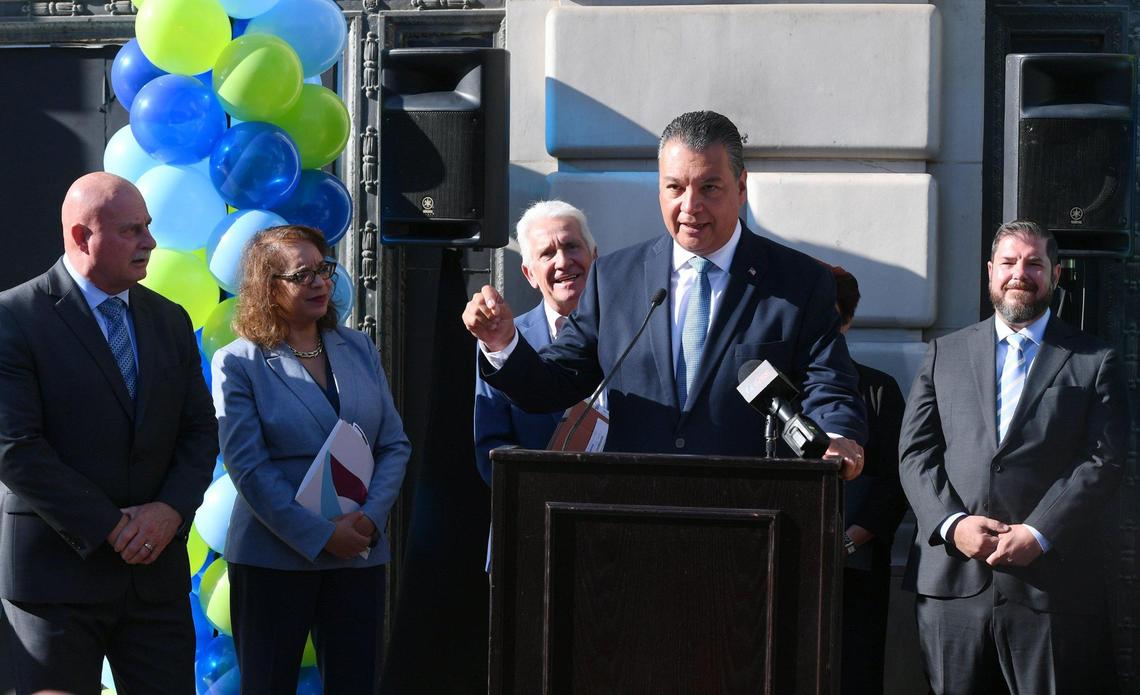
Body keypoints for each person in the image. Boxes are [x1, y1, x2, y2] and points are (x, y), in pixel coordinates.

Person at [462, 110, 866, 474]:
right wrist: (503, 344)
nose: (690, 206)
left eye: (709, 187)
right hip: (638, 514)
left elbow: (827, 383)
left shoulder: (797, 280)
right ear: (659, 190)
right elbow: (555, 383)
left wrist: (834, 435)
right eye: (675, 188)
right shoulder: (614, 279)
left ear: (741, 188)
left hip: (751, 513)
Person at [0, 172, 218, 693]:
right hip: (56, 581)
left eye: (148, 227)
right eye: (131, 231)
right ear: (82, 237)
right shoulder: (15, 318)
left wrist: (167, 511)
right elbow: (15, 447)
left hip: (153, 581)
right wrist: (110, 527)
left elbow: (199, 432)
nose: (150, 243)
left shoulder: (168, 319)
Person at [899, 220, 1129, 693]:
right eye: (1007, 262)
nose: (1019, 273)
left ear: (1055, 275)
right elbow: (915, 453)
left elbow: (1103, 459)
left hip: (1050, 589)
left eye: (1033, 263)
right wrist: (952, 524)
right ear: (989, 272)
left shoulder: (1094, 359)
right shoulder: (945, 353)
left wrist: (1038, 532)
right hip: (952, 585)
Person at [211, 225, 409, 694]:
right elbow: (249, 467)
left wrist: (369, 522)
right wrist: (321, 536)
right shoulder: (238, 361)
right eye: (303, 275)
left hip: (358, 552)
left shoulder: (358, 347)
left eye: (324, 269)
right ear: (268, 286)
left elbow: (395, 444)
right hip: (274, 556)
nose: (320, 282)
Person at [473, 200, 599, 485]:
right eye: (547, 253)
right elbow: (492, 450)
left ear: (594, 255)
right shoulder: (503, 343)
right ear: (530, 274)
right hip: (536, 513)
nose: (563, 262)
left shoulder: (634, 328)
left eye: (571, 246)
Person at [830, 266, 908, 695]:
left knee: (854, 674)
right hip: (783, 570)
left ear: (847, 320)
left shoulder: (879, 390)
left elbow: (897, 482)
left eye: (830, 314)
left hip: (856, 574)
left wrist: (845, 543)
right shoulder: (773, 393)